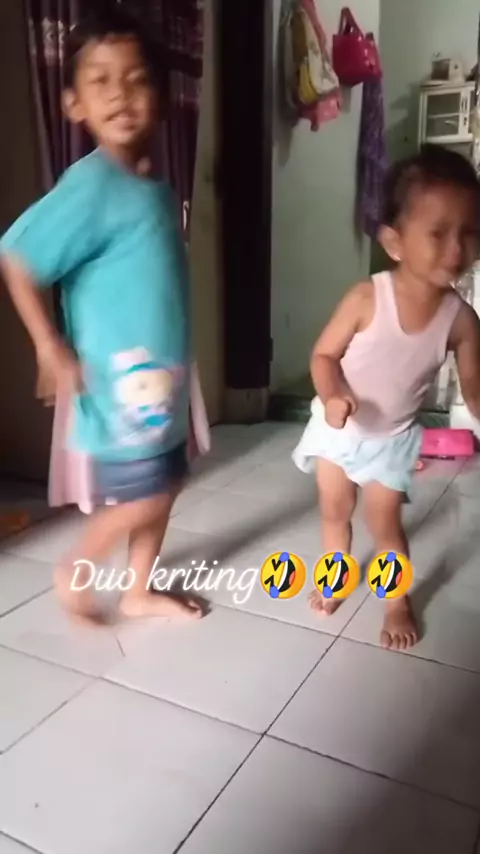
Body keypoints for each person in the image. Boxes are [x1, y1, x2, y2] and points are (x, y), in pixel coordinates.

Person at [0, 6, 202, 622]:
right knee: (148, 492)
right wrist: (48, 345)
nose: (120, 94)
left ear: (161, 99)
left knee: (168, 482)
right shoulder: (89, 188)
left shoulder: (155, 189)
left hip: (161, 382)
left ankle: (138, 591)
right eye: (101, 80)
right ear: (74, 104)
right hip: (121, 389)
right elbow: (16, 256)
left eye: (137, 79)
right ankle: (78, 565)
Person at [293, 144, 480, 650]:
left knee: (386, 526)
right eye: (438, 233)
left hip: (393, 440)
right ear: (395, 241)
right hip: (337, 430)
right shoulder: (366, 298)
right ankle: (334, 578)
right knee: (335, 514)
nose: (457, 248)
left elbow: (474, 389)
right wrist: (333, 395)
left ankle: (395, 600)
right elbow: (323, 356)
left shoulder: (462, 320)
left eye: (469, 232)